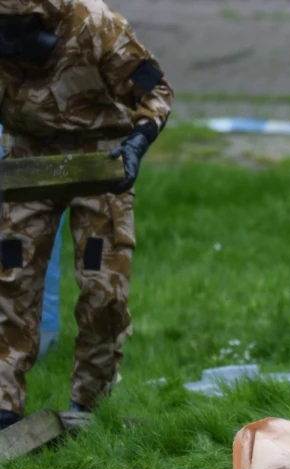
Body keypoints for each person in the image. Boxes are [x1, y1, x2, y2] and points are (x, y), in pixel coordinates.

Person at [0, 0, 173, 431]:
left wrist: (136, 144)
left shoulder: (95, 25)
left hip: (99, 160)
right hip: (26, 161)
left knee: (102, 286)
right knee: (10, 279)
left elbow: (155, 91)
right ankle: (4, 406)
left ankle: (90, 404)